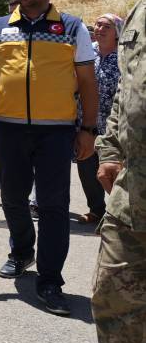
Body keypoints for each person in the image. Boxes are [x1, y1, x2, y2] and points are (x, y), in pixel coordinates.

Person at [0, 0, 98, 317]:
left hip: (56, 131)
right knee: (12, 198)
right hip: (8, 128)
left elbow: (87, 81)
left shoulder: (72, 27)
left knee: (53, 206)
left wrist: (89, 129)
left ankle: (50, 281)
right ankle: (22, 251)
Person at [91, 0, 146, 343]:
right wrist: (109, 152)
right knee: (113, 302)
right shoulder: (140, 12)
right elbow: (125, 94)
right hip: (132, 198)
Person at [75, 13, 121, 226]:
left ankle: (117, 213)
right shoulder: (86, 53)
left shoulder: (124, 57)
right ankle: (96, 210)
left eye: (106, 26)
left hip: (113, 126)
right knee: (86, 168)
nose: (100, 29)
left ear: (117, 33)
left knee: (112, 171)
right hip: (85, 123)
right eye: (98, 25)